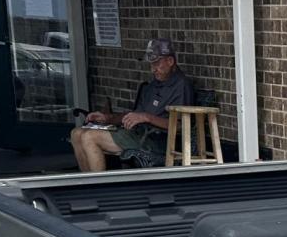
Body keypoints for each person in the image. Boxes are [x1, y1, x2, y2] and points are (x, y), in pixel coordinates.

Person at [70, 39, 195, 172]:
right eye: (151, 64)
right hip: (138, 134)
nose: (153, 69)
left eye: (157, 63)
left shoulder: (181, 85)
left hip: (158, 141)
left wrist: (147, 117)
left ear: (170, 61)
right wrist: (108, 118)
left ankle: (98, 188)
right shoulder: (154, 85)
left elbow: (181, 125)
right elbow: (136, 114)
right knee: (76, 133)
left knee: (89, 137)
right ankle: (87, 185)